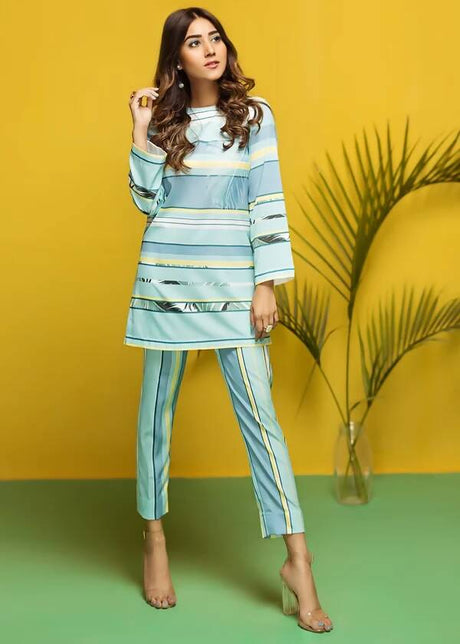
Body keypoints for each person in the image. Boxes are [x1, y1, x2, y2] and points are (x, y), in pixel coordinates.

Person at [125, 6, 333, 634]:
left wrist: (265, 283)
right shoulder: (164, 121)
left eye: (214, 38)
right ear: (177, 58)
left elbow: (266, 199)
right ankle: (154, 540)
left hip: (235, 290)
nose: (210, 49)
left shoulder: (255, 116)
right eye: (195, 42)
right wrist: (141, 132)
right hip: (167, 286)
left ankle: (298, 561)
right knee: (155, 420)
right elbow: (146, 202)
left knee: (263, 424)